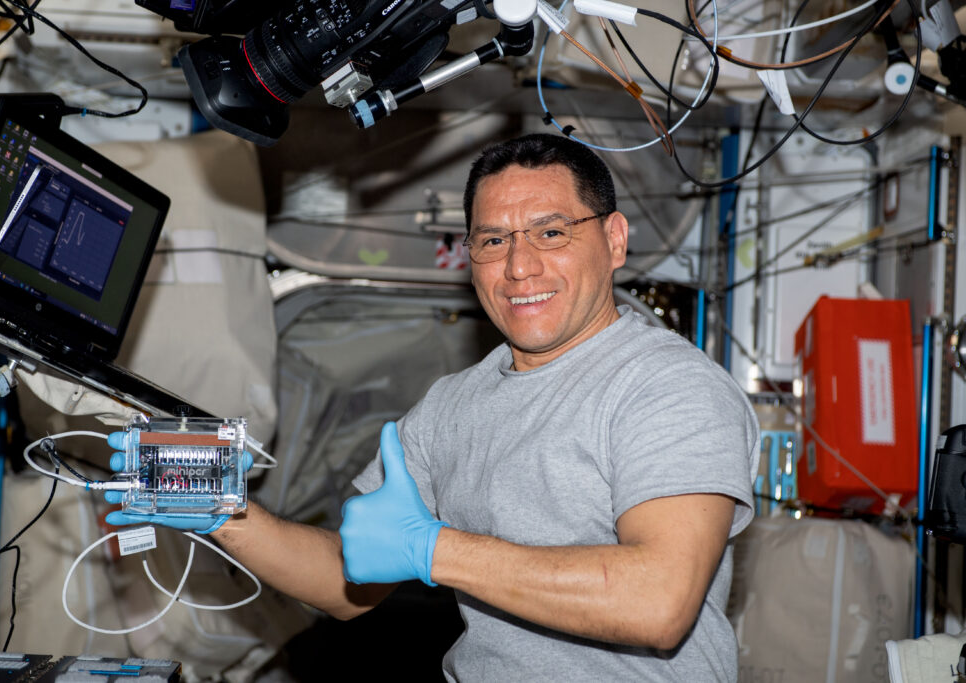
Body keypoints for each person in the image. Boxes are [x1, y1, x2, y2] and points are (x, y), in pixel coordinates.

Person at [107, 133, 759, 681]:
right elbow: (347, 579)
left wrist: (432, 549)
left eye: (551, 231)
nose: (519, 267)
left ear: (614, 240)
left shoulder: (670, 384)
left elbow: (657, 600)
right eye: (492, 241)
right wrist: (223, 511)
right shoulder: (454, 404)